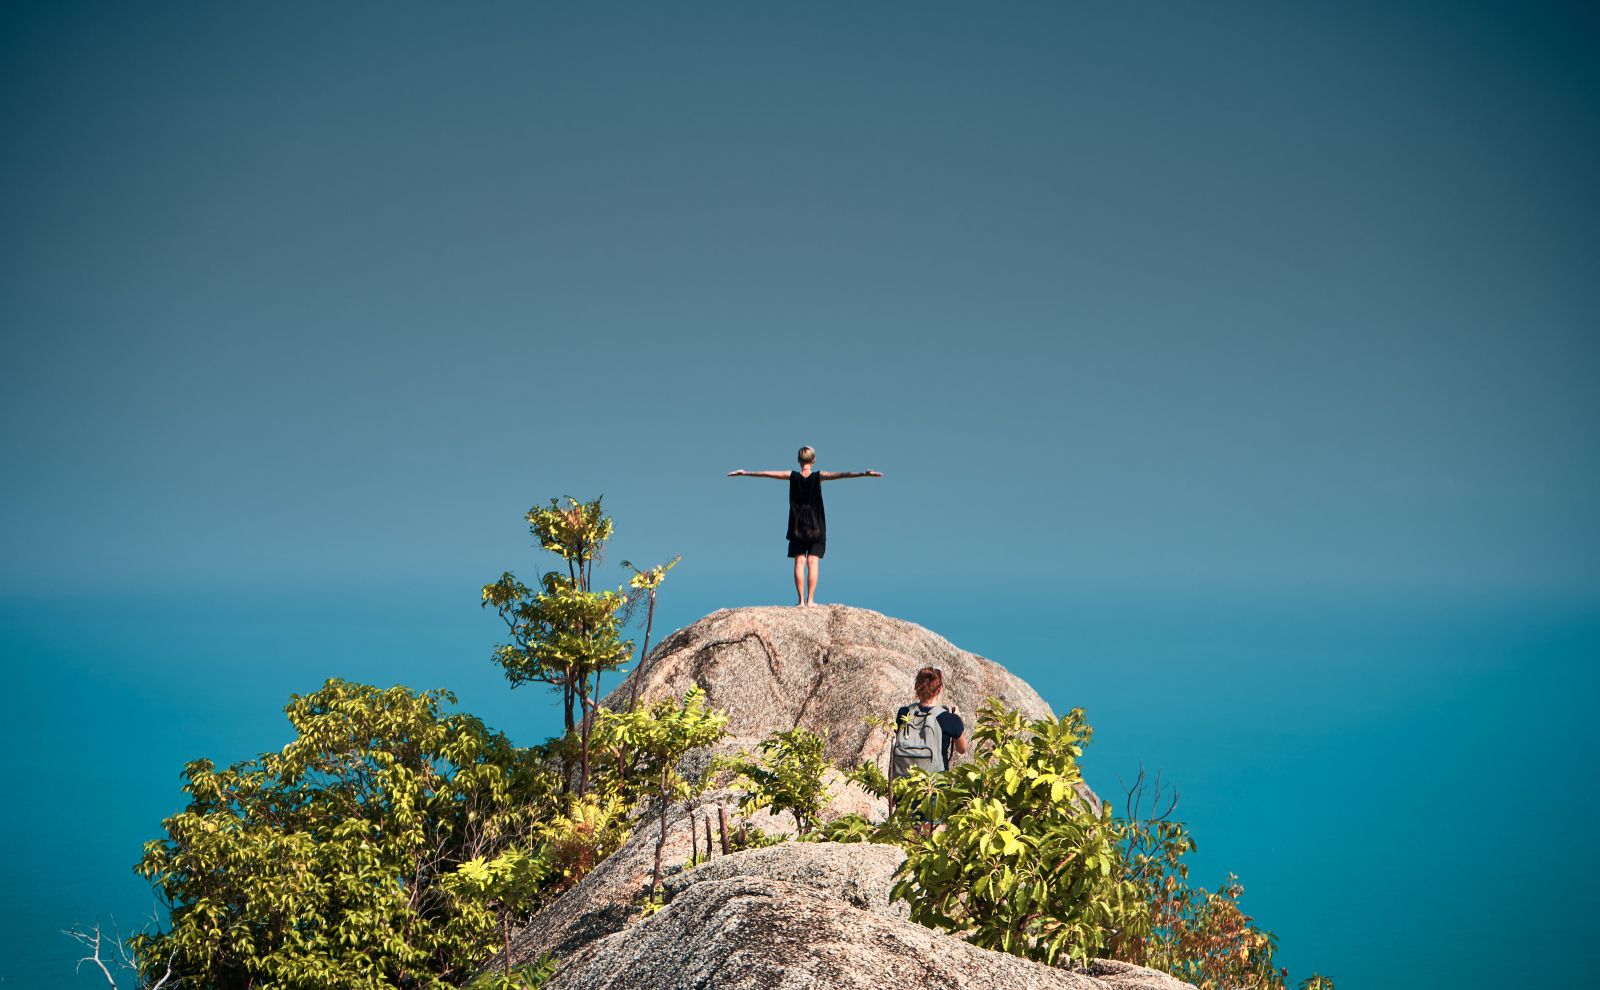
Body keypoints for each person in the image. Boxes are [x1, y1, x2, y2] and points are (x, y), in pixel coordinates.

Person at [727, 446, 882, 607]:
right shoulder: (819, 476)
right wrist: (863, 474)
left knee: (799, 562)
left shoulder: (791, 475)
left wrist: (745, 473)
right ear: (813, 460)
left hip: (797, 526)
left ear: (798, 460)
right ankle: (810, 600)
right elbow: (842, 475)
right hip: (817, 526)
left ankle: (800, 601)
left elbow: (768, 473)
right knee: (813, 562)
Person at [889, 666, 968, 821]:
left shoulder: (903, 713)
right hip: (934, 785)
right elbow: (962, 749)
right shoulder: (947, 718)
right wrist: (957, 718)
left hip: (905, 784)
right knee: (933, 830)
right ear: (939, 689)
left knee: (907, 829)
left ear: (917, 687)